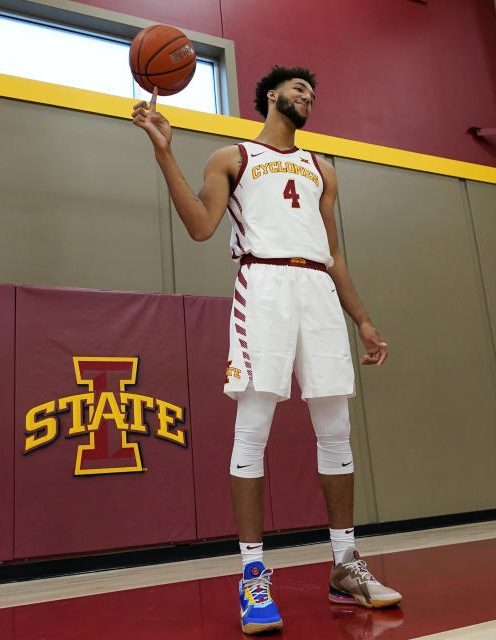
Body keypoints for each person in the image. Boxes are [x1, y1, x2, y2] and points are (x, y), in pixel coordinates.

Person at [132, 65, 401, 635]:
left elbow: (334, 253)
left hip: (319, 292)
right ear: (271, 97)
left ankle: (346, 564)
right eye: (299, 88)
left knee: (335, 428)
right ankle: (254, 575)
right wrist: (164, 156)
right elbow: (202, 226)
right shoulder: (231, 157)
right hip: (264, 289)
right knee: (253, 427)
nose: (309, 95)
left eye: (314, 90)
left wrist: (364, 319)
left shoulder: (321, 168)